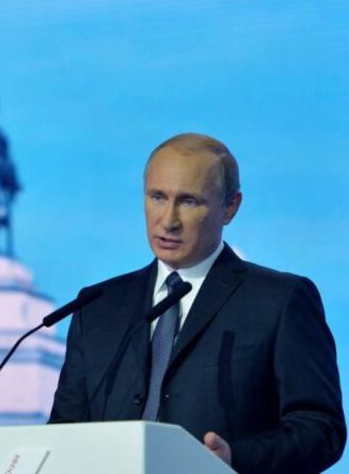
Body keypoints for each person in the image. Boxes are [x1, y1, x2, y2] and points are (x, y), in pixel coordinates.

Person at [48, 133, 345, 473]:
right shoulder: (97, 306)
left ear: (230, 207)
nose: (168, 220)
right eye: (157, 197)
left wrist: (234, 457)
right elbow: (63, 433)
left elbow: (321, 431)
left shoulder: (280, 301)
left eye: (188, 201)